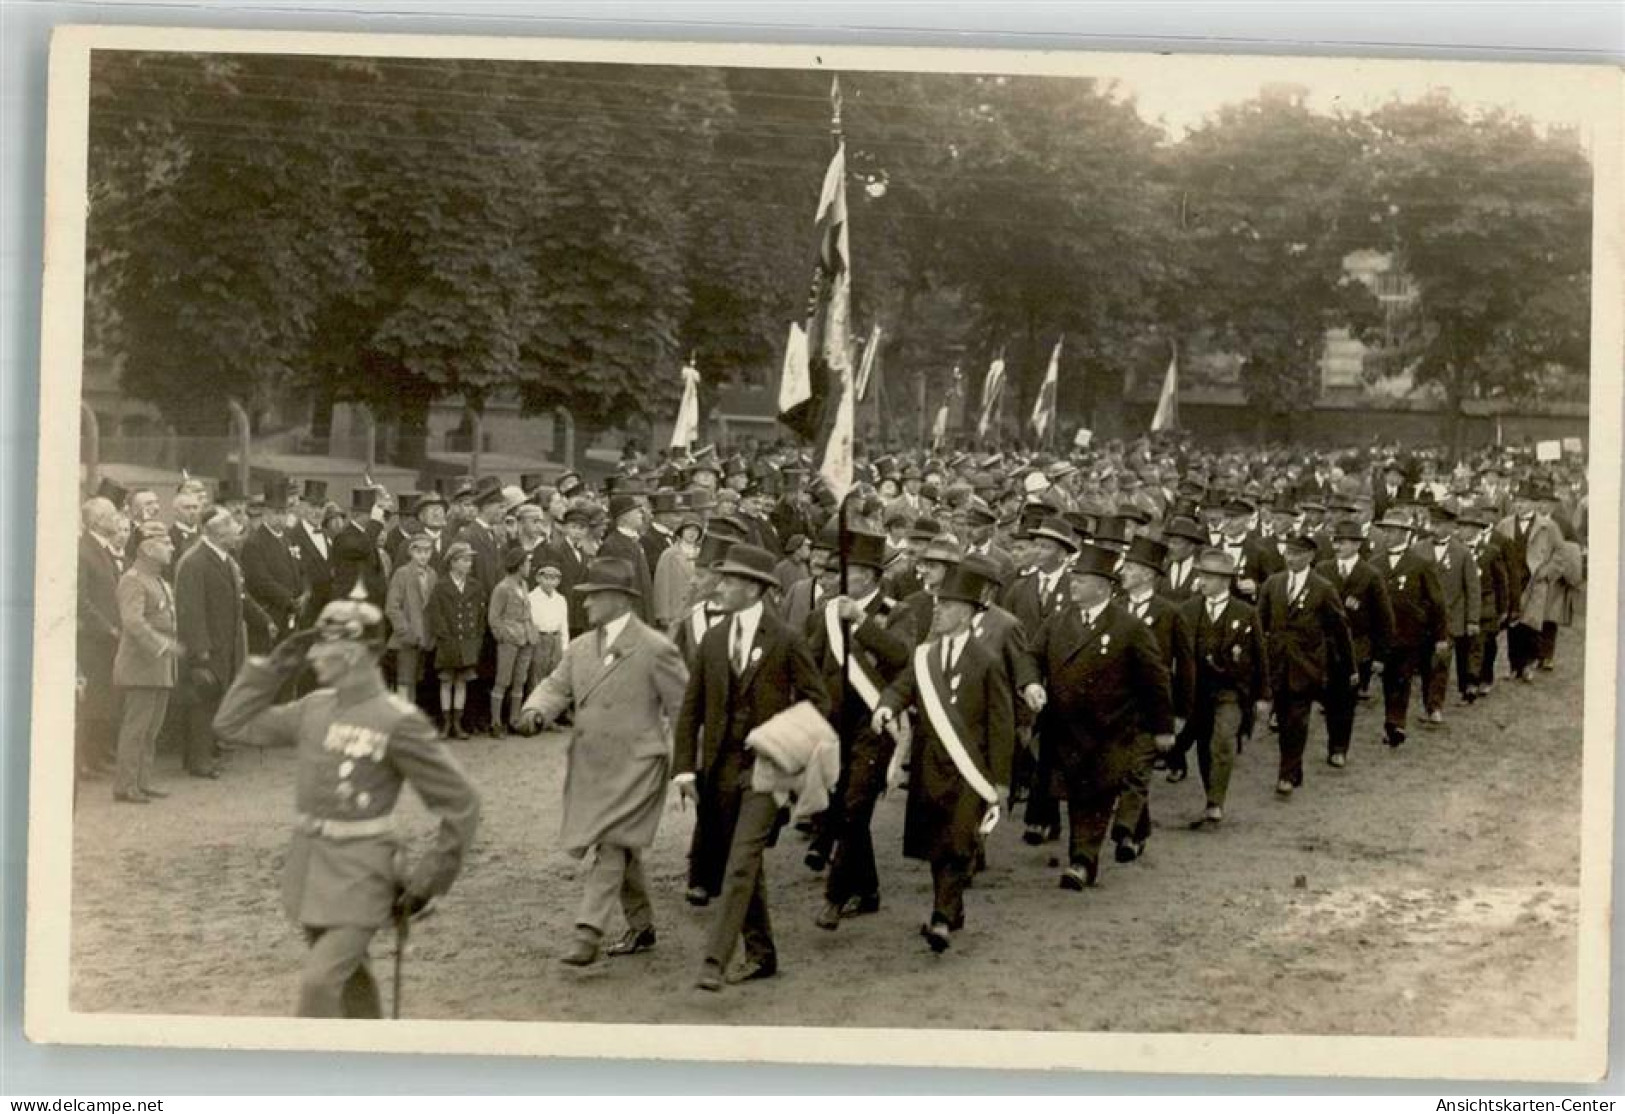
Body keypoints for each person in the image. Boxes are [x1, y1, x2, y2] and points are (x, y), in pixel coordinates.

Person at [212, 592, 480, 1019]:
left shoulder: (397, 720)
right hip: (311, 869)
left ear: (358, 653)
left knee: (319, 987)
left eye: (327, 644)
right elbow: (231, 725)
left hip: (363, 875)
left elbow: (462, 803)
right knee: (351, 984)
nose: (314, 654)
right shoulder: (313, 707)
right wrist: (275, 667)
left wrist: (430, 877)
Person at [516, 557, 691, 966]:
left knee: (611, 843)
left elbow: (684, 708)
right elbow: (555, 685)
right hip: (592, 763)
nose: (586, 605)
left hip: (639, 764)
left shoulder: (655, 648)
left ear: (617, 599)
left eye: (593, 597)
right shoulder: (579, 648)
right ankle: (642, 925)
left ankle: (587, 930)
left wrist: (686, 766)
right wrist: (536, 710)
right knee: (620, 843)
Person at [673, 543, 827, 991]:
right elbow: (691, 709)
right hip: (718, 771)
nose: (720, 586)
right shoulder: (713, 639)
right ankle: (762, 955)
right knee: (741, 864)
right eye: (722, 579)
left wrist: (782, 744)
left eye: (731, 580)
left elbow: (819, 701)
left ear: (756, 589)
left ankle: (713, 960)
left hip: (766, 772)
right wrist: (684, 769)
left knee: (740, 863)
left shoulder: (786, 639)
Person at [874, 560, 1014, 952]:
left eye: (949, 606)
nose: (940, 610)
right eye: (939, 604)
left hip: (970, 769)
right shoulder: (924, 655)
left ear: (968, 613)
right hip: (930, 765)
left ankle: (940, 917)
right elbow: (902, 687)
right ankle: (951, 908)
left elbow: (1001, 723)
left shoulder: (986, 660)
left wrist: (1000, 780)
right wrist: (886, 706)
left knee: (956, 841)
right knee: (937, 842)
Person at [1026, 542, 1174, 890]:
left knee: (1094, 796)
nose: (1073, 584)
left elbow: (1155, 680)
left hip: (1110, 729)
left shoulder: (1129, 627)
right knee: (1074, 792)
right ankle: (1123, 835)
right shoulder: (1058, 621)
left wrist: (1162, 728)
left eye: (1081, 579)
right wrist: (1031, 683)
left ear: (1103, 586)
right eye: (1073, 578)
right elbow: (1031, 655)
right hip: (1064, 726)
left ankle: (1082, 861)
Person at [801, 529, 913, 929]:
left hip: (875, 722)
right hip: (833, 723)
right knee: (839, 807)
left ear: (870, 575)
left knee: (855, 806)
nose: (841, 577)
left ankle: (835, 896)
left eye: (850, 570)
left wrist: (862, 622)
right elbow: (808, 663)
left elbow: (902, 657)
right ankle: (867, 889)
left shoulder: (897, 612)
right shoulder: (823, 613)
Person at [1110, 535, 1193, 863]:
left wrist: (1180, 713)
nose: (1124, 573)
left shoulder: (1170, 614)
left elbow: (1185, 667)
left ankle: (1125, 828)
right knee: (1121, 768)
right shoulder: (1114, 609)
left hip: (1151, 707)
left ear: (1147, 574)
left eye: (1130, 568)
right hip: (1116, 707)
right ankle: (1138, 831)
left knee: (1138, 769)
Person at [175, 506, 271, 779]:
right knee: (201, 702)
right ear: (217, 533)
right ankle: (198, 760)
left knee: (214, 699)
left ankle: (207, 752)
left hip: (225, 644)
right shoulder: (194, 562)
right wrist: (200, 651)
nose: (237, 532)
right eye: (231, 527)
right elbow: (191, 610)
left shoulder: (226, 561)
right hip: (206, 647)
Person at [1255, 533, 1354, 794]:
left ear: (1310, 557)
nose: (1290, 558)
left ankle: (1286, 774)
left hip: (1306, 666)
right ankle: (1293, 769)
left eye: (1297, 554)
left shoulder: (1323, 588)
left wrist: (1350, 666)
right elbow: (1258, 624)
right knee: (1284, 718)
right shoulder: (1273, 584)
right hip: (1276, 663)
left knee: (1297, 719)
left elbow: (1340, 629)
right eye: (1288, 553)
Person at [1180, 549, 1268, 825]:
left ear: (1224, 581)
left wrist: (1263, 696)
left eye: (1209, 576)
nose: (1202, 581)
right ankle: (1211, 794)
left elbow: (1259, 656)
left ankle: (1217, 801)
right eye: (1202, 575)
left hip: (1230, 690)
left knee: (1223, 740)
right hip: (1196, 690)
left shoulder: (1245, 613)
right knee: (1205, 745)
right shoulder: (1188, 609)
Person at [1315, 519, 1394, 766]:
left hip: (1356, 648)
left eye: (1344, 542)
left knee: (1346, 699)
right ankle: (1333, 740)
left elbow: (1384, 618)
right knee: (1329, 698)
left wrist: (1380, 656)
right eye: (1336, 541)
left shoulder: (1370, 575)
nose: (1338, 546)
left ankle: (1339, 747)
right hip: (1325, 646)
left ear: (1357, 545)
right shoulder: (1323, 569)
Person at [111, 521, 180, 803]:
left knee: (151, 728)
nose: (171, 547)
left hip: (158, 665)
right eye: (165, 543)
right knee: (136, 727)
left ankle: (142, 780)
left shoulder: (159, 579)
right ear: (148, 548)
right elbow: (132, 621)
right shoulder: (134, 579)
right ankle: (125, 785)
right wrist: (160, 644)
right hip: (141, 664)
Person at [1371, 514, 1448, 749]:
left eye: (1394, 531)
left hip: (1411, 633)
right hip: (1384, 634)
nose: (1389, 535)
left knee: (1403, 677)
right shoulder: (1376, 563)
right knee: (1388, 678)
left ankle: (1397, 722)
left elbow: (1437, 602)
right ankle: (1390, 720)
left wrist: (1440, 636)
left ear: (1405, 533)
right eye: (1386, 531)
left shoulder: (1420, 564)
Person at [78, 495, 126, 780]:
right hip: (94, 639)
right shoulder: (84, 550)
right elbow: (82, 599)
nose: (116, 518)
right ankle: (85, 759)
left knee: (104, 697)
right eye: (110, 515)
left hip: (108, 637)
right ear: (96, 520)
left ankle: (96, 755)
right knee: (93, 698)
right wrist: (106, 627)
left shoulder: (102, 549)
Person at [1417, 507, 1481, 719]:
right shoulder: (1418, 549)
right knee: (1426, 662)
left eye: (1439, 525)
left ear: (1450, 527)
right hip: (1424, 619)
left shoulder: (1462, 553)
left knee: (1441, 661)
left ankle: (1435, 706)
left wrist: (1472, 619)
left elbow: (1472, 588)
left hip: (1451, 618)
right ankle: (1429, 702)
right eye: (1432, 524)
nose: (1434, 529)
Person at [427, 541, 485, 739]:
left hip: (468, 641)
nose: (469, 564)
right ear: (452, 562)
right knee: (446, 682)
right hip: (448, 642)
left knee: (461, 682)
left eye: (470, 560)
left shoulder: (475, 586)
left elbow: (480, 615)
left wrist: (476, 638)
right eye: (464, 560)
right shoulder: (441, 586)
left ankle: (458, 724)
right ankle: (446, 724)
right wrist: (444, 636)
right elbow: (435, 614)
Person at [240, 481, 306, 652]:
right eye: (276, 513)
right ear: (266, 513)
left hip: (291, 614)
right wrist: (289, 600)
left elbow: (301, 570)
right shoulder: (254, 543)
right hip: (270, 614)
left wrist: (304, 594)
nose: (281, 518)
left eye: (284, 513)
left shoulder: (288, 538)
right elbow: (260, 581)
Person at [488, 548, 539, 737]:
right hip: (510, 639)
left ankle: (514, 720)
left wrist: (531, 633)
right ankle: (495, 722)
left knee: (520, 680)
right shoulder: (502, 588)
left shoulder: (524, 585)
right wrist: (504, 636)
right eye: (527, 564)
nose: (529, 567)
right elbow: (494, 618)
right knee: (503, 680)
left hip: (526, 638)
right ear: (519, 566)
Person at [384, 532, 438, 703]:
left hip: (424, 638)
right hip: (406, 637)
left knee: (415, 680)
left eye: (427, 551)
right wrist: (404, 630)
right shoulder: (402, 573)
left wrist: (432, 635)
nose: (423, 556)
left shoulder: (432, 575)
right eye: (419, 551)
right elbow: (392, 606)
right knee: (404, 681)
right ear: (411, 552)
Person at [526, 561, 570, 693]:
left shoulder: (560, 599)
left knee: (555, 677)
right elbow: (530, 623)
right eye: (546, 578)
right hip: (539, 640)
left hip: (556, 640)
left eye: (554, 578)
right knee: (537, 677)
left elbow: (564, 625)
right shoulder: (531, 598)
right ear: (538, 578)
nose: (550, 582)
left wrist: (564, 647)